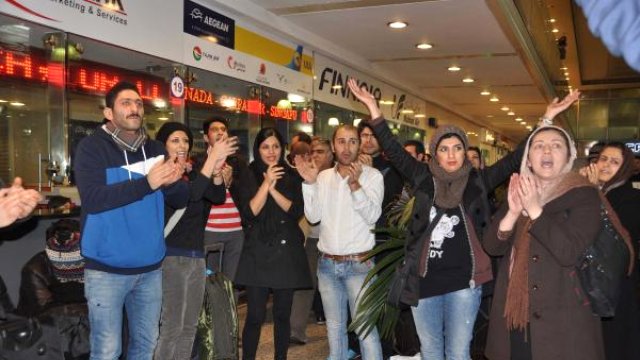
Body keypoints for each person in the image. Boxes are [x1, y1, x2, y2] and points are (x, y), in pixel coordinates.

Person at [347, 78, 580, 360]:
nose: (451, 154)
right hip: (424, 282)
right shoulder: (423, 178)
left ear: (465, 151)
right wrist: (372, 107)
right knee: (431, 351)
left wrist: (546, 119)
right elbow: (394, 151)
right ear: (434, 153)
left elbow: (515, 158)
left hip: (465, 284)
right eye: (444, 149)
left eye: (457, 148)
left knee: (458, 353)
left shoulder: (479, 181)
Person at [73, 81, 189, 360]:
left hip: (150, 268)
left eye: (138, 103)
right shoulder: (91, 148)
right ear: (108, 113)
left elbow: (181, 198)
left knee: (145, 346)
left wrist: (173, 181)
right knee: (107, 350)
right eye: (126, 102)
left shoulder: (155, 149)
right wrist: (146, 183)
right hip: (105, 270)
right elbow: (93, 199)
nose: (134, 108)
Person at [483, 124, 605, 360]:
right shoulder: (520, 190)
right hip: (515, 313)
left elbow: (568, 251)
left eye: (556, 146)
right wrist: (512, 212)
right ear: (528, 159)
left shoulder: (584, 195)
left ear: (568, 157)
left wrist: (535, 210)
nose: (547, 151)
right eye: (538, 146)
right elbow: (491, 246)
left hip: (563, 317)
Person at [295, 124, 384, 360]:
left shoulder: (373, 177)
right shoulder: (323, 178)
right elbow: (313, 217)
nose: (347, 147)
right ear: (334, 146)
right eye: (342, 141)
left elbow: (373, 216)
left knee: (366, 330)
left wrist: (356, 185)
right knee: (334, 330)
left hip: (360, 264)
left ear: (359, 145)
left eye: (353, 141)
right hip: (327, 265)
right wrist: (309, 184)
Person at [153, 122, 236, 360]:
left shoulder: (190, 175)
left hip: (196, 258)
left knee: (189, 328)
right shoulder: (163, 173)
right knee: (171, 328)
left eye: (185, 141)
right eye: (175, 140)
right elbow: (190, 196)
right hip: (171, 257)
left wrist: (217, 169)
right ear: (163, 145)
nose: (182, 145)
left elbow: (216, 196)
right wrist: (211, 163)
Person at [234, 127, 312, 360]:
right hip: (258, 250)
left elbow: (296, 210)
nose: (271, 151)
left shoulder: (293, 174)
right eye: (265, 147)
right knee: (255, 315)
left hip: (286, 252)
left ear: (282, 149)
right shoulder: (248, 174)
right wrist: (266, 183)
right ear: (258, 149)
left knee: (281, 314)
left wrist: (274, 188)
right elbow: (250, 213)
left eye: (276, 146)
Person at [579, 142, 640, 360]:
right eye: (603, 159)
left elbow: (608, 235)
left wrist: (592, 193)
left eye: (615, 162)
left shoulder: (632, 199)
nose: (606, 165)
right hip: (591, 282)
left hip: (617, 288)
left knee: (614, 344)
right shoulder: (592, 189)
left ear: (625, 168)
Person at [289, 137, 334, 345]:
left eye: (321, 151)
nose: (316, 155)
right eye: (313, 151)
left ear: (331, 154)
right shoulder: (305, 176)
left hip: (335, 243)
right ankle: (295, 330)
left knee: (335, 289)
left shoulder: (338, 176)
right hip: (311, 240)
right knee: (306, 285)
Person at [201, 117, 249, 281]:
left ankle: (231, 308)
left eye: (223, 129)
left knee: (232, 280)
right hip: (209, 230)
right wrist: (220, 182)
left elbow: (246, 194)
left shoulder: (238, 162)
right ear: (206, 138)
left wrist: (230, 183)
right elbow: (199, 192)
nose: (220, 132)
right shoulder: (199, 162)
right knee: (210, 279)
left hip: (235, 231)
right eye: (215, 129)